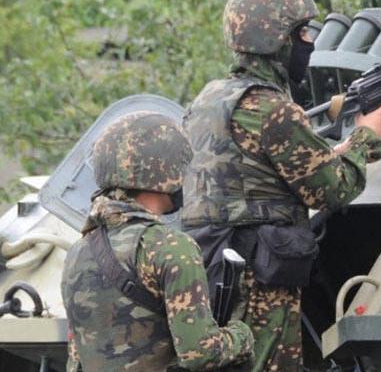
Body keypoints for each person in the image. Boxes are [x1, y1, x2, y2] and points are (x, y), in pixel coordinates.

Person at [182, 0, 381, 371]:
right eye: (302, 32)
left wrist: (336, 152)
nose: (309, 42)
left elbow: (253, 175)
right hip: (260, 281)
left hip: (215, 269)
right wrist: (367, 138)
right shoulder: (271, 108)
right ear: (276, 38)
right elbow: (331, 190)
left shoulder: (209, 99)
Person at [61, 111, 254, 372]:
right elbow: (199, 353)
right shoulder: (170, 246)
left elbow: (76, 359)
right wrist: (241, 335)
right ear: (166, 170)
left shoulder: (77, 252)